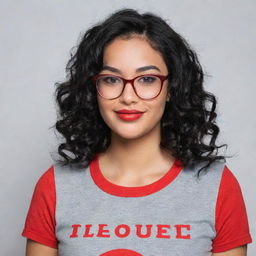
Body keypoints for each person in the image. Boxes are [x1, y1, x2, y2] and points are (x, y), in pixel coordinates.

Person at [21, 8, 252, 256]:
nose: (128, 97)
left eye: (147, 79)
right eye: (111, 79)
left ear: (171, 87)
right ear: (93, 88)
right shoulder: (55, 186)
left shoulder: (216, 186)